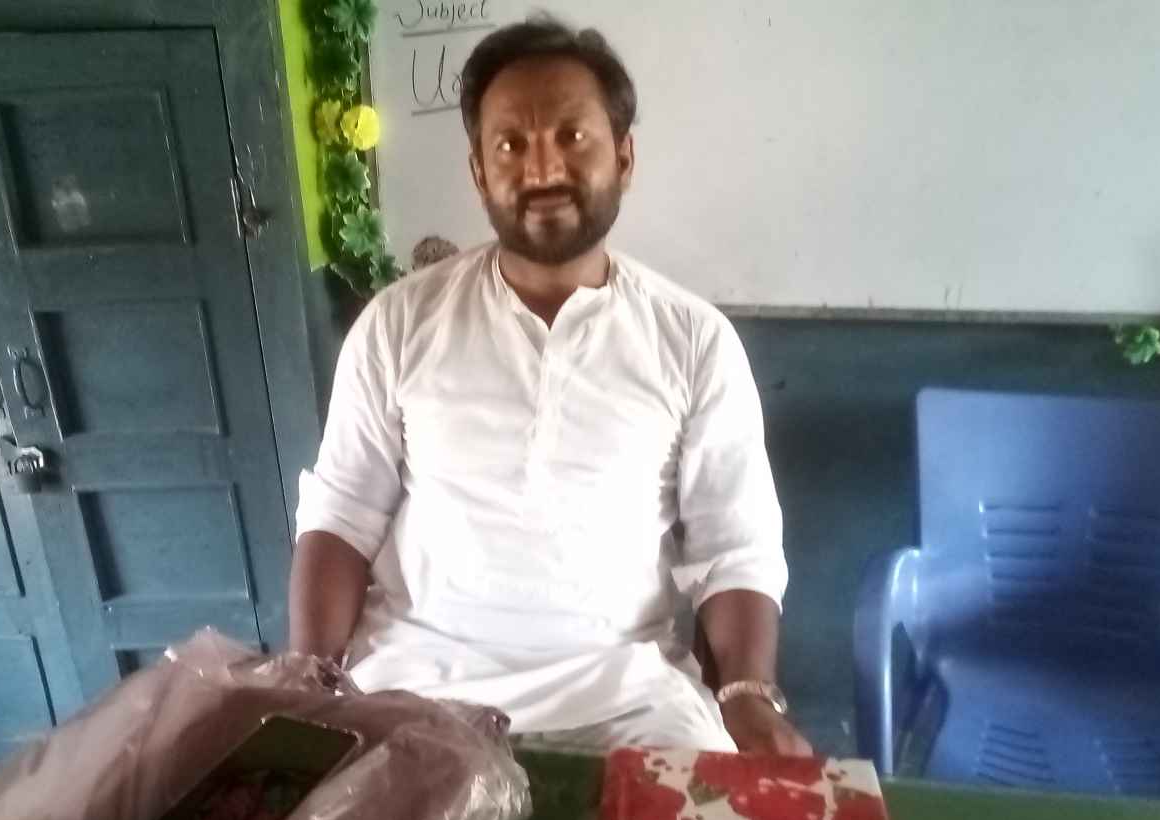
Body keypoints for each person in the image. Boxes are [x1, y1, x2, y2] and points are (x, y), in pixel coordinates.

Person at [289, 17, 811, 756]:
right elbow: (342, 516)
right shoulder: (398, 324)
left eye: (572, 136)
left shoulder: (694, 341)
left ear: (623, 157)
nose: (541, 169)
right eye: (510, 144)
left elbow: (735, 547)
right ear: (479, 172)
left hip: (630, 697)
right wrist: (307, 680)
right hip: (414, 685)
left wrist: (748, 697)